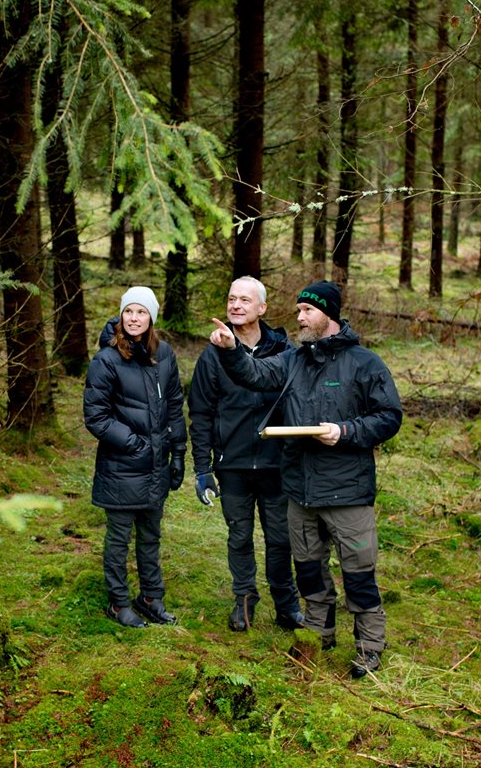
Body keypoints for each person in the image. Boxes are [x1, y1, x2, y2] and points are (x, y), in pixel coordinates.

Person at [208, 280, 402, 678]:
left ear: (328, 314)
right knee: (309, 569)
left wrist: (345, 432)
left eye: (307, 311)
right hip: (300, 489)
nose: (299, 317)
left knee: (359, 573)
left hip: (348, 491)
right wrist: (230, 351)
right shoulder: (294, 360)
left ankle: (369, 646)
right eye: (298, 310)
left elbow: (388, 417)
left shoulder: (365, 364)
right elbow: (256, 374)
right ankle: (318, 633)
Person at [188, 276, 304, 633]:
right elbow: (202, 412)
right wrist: (202, 467)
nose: (236, 306)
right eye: (231, 299)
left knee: (280, 538)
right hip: (233, 464)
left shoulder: (286, 353)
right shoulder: (213, 355)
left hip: (276, 464)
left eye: (244, 300)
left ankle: (287, 605)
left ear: (262, 308)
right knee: (239, 535)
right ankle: (244, 599)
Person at [84, 286, 187, 628]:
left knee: (150, 535)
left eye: (141, 312)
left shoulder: (165, 355)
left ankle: (151, 598)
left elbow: (174, 405)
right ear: (121, 315)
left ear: (151, 318)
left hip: (157, 465)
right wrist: (136, 445)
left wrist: (178, 453)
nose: (133, 318)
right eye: (129, 312)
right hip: (123, 466)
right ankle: (117, 602)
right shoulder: (107, 360)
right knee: (118, 538)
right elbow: (96, 416)